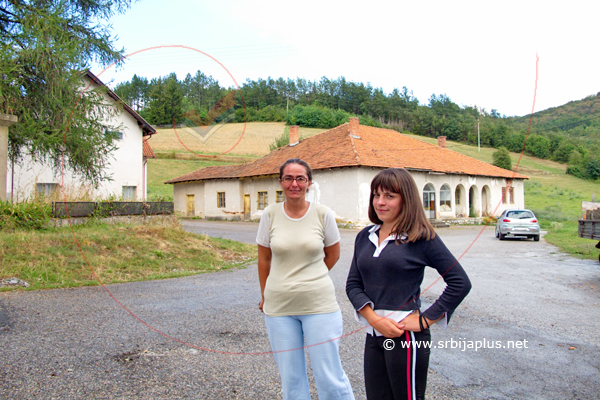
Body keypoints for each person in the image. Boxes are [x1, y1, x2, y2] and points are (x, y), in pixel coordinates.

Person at [346, 168, 471, 400]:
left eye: (389, 196)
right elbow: (353, 284)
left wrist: (425, 319)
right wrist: (375, 321)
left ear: (406, 199)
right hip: (374, 334)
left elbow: (460, 282)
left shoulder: (421, 237)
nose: (380, 202)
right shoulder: (365, 236)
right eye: (376, 195)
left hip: (405, 339)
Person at [256, 158, 355, 400]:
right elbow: (264, 260)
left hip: (319, 305)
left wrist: (312, 275)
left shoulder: (323, 214)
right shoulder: (269, 214)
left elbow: (333, 254)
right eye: (288, 178)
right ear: (280, 182)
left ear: (309, 182)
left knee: (329, 376)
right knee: (291, 379)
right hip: (279, 308)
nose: (294, 183)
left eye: (300, 178)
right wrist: (264, 295)